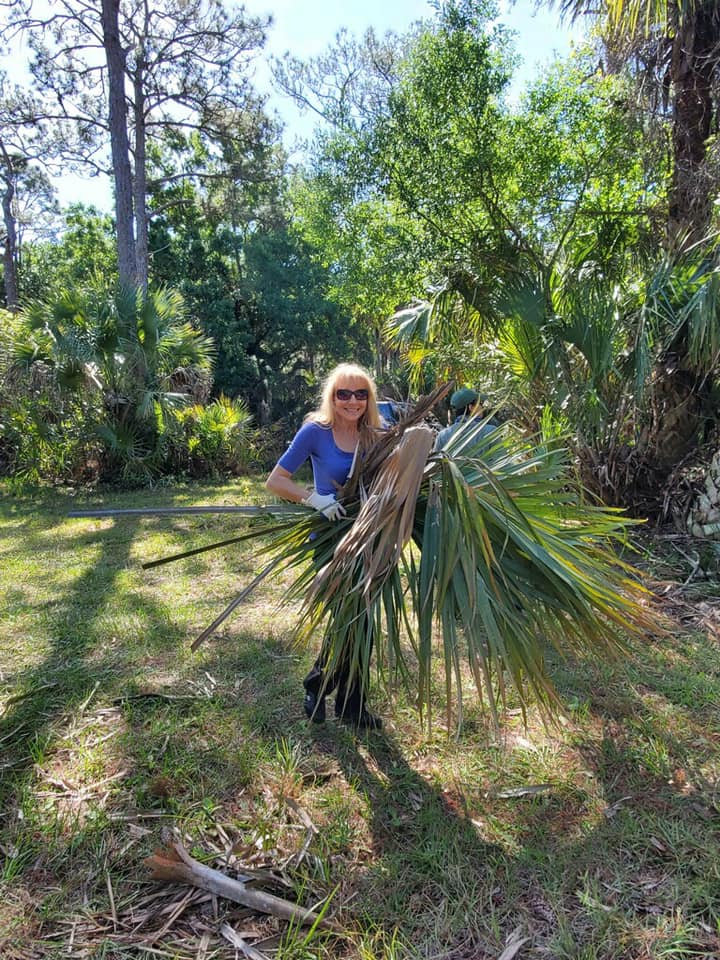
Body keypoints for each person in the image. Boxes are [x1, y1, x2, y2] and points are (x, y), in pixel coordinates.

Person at [265, 363, 384, 729]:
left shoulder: (376, 434)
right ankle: (319, 685)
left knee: (363, 622)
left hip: (370, 535)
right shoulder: (315, 432)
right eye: (343, 394)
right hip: (330, 537)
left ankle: (350, 703)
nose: (352, 401)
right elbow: (276, 481)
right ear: (332, 397)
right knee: (346, 618)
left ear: (369, 398)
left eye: (360, 393)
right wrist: (314, 499)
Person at [435, 387, 497, 451]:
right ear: (471, 407)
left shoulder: (442, 435)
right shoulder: (490, 431)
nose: (482, 407)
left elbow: (435, 460)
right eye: (480, 403)